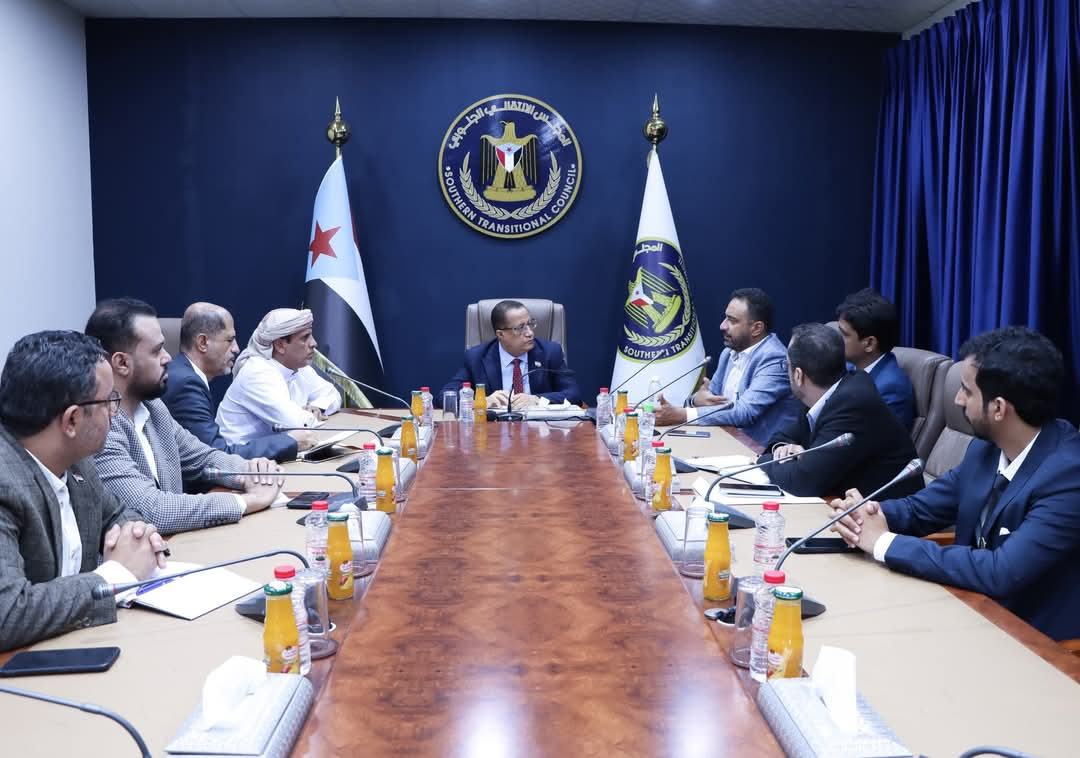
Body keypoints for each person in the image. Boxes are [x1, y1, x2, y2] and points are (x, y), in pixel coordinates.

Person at [831, 327, 1080, 641]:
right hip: (965, 609)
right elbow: (920, 510)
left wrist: (883, 542)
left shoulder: (1069, 476)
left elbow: (1001, 572)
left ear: (999, 408)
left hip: (1031, 641)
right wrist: (867, 514)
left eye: (967, 391)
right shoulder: (985, 450)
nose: (958, 399)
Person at [0, 331, 168, 651]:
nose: (115, 412)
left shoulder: (77, 463)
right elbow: (7, 613)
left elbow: (120, 514)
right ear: (72, 420)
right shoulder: (5, 482)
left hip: (78, 645)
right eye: (109, 402)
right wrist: (116, 574)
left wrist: (135, 536)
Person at [86, 298, 282, 535]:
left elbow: (202, 458)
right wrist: (248, 501)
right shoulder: (100, 426)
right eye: (157, 350)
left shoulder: (153, 407)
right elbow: (152, 510)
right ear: (122, 363)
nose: (168, 357)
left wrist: (251, 473)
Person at [757, 322, 921, 498]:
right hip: (842, 500)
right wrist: (783, 449)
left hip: (887, 510)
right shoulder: (820, 394)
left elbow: (803, 482)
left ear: (798, 375)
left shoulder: (853, 404)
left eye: (787, 365)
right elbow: (782, 437)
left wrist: (764, 461)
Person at [161, 302, 311, 462]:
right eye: (230, 340)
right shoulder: (187, 384)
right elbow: (217, 457)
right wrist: (289, 441)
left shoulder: (185, 375)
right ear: (203, 343)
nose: (236, 348)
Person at [653, 288, 800, 445]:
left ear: (757, 328)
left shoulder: (774, 359)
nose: (723, 326)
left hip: (759, 450)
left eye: (732, 320)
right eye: (725, 318)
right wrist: (696, 401)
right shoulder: (729, 353)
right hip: (724, 441)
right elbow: (711, 400)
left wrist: (681, 415)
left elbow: (744, 413)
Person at [216, 308, 341, 445]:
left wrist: (318, 407)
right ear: (280, 345)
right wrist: (308, 416)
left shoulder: (299, 367)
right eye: (305, 337)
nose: (314, 343)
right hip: (240, 455)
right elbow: (298, 425)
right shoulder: (257, 372)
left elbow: (333, 394)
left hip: (279, 452)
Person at [440, 300, 581, 409]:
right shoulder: (476, 357)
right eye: (520, 328)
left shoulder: (550, 352)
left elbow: (574, 394)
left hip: (540, 430)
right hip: (494, 431)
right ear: (500, 334)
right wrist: (481, 401)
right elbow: (444, 396)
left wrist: (537, 399)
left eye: (530, 324)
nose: (529, 333)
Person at [835, 288, 914, 429]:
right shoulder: (847, 367)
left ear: (869, 344)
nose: (836, 339)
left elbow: (875, 440)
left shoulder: (890, 389)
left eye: (844, 335)